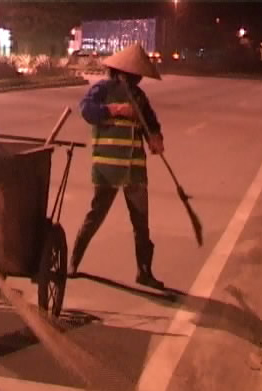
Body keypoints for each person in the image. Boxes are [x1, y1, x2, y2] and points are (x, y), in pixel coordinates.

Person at [68, 43, 166, 289]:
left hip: (134, 168)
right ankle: (73, 262)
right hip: (107, 167)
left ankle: (144, 271)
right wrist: (115, 109)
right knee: (95, 216)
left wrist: (155, 139)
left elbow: (151, 124)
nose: (137, 78)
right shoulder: (102, 89)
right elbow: (87, 111)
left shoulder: (139, 97)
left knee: (141, 224)